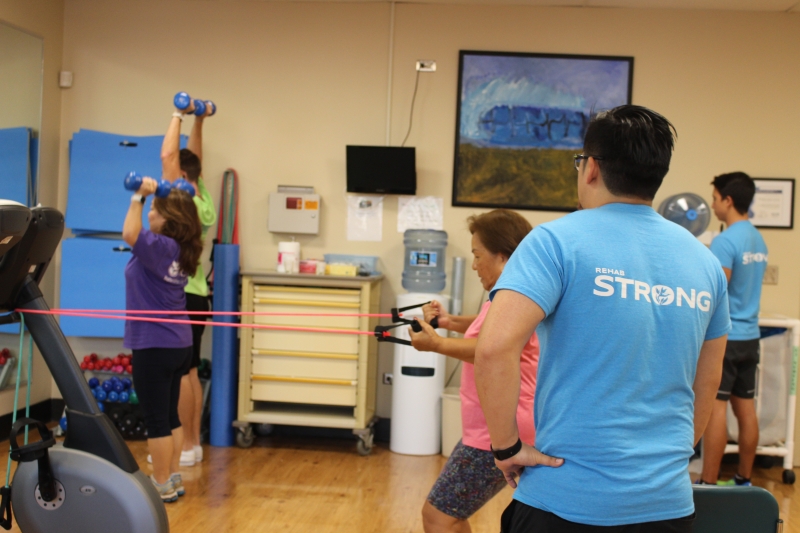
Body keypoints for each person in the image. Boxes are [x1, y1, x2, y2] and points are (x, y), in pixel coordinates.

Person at [474, 105, 731, 532]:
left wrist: (506, 448)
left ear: (590, 168)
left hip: (563, 500)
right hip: (665, 505)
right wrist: (673, 455)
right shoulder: (703, 262)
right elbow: (709, 375)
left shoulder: (554, 241)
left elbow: (495, 348)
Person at [409, 209, 539, 533]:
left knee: (439, 516)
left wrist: (437, 344)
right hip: (496, 427)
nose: (474, 264)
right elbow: (487, 332)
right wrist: (450, 322)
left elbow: (491, 350)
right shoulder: (511, 295)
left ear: (502, 255)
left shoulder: (515, 296)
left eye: (477, 255)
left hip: (499, 431)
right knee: (445, 515)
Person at [123, 111, 203, 502]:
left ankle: (160, 485)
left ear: (166, 220)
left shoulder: (157, 247)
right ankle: (171, 479)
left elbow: (128, 232)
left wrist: (139, 195)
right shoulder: (181, 249)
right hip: (177, 343)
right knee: (169, 417)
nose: (150, 211)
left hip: (154, 345)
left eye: (155, 209)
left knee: (157, 419)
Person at [698, 172, 767, 487]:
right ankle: (744, 479)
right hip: (751, 337)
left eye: (714, 199)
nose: (712, 205)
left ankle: (709, 482)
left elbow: (717, 288)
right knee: (746, 409)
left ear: (728, 200)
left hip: (729, 338)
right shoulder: (757, 239)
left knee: (716, 411)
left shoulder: (726, 241)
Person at [174, 105, 217, 466]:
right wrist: (199, 121)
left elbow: (170, 158)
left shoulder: (184, 199)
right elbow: (194, 160)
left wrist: (176, 116)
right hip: (197, 295)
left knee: (181, 371)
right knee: (189, 370)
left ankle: (186, 446)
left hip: (184, 294)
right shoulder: (199, 196)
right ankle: (194, 443)